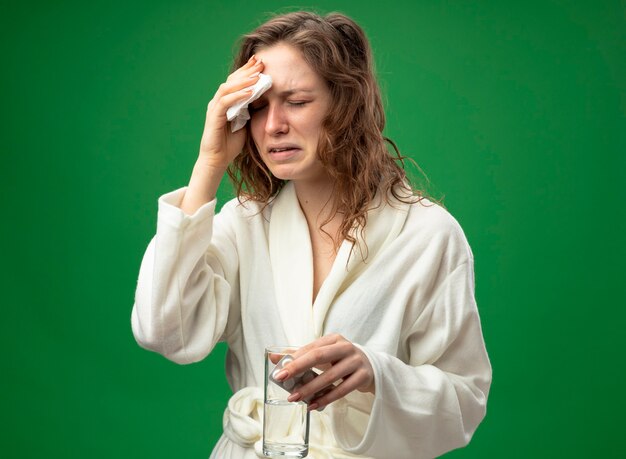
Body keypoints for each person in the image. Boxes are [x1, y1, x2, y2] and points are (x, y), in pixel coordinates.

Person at [131, 11, 492, 459]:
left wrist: (377, 372)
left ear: (346, 105)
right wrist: (209, 164)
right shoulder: (244, 224)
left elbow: (465, 401)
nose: (272, 125)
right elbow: (164, 329)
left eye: (297, 101)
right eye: (258, 106)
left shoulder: (428, 236)